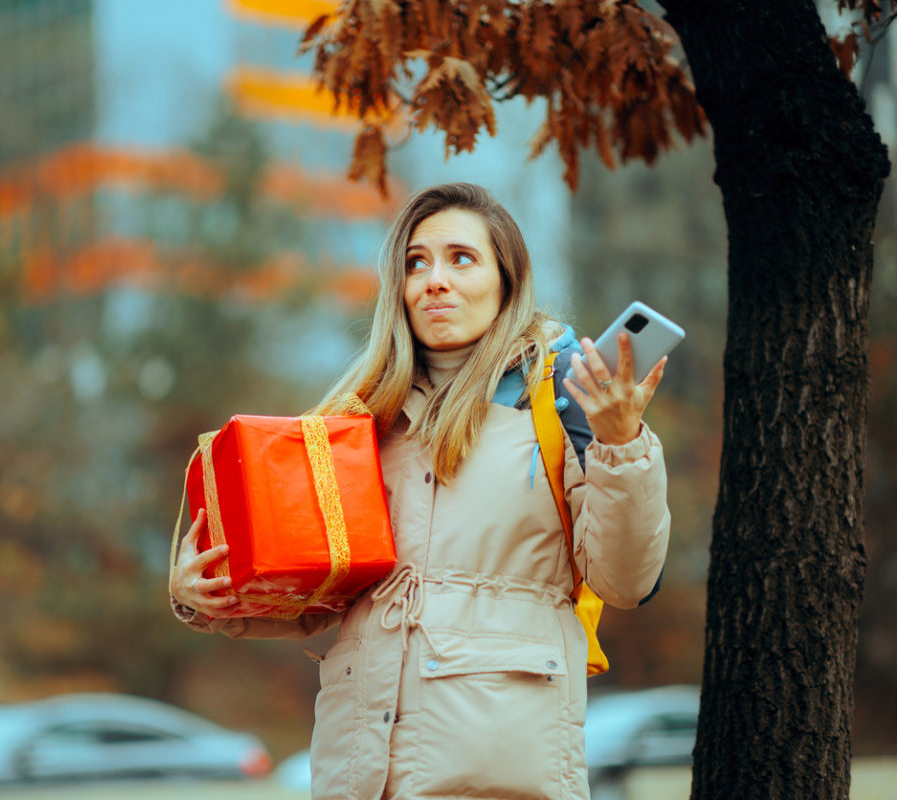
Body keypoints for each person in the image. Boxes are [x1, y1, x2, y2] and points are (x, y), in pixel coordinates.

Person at [169, 182, 670, 800]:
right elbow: (318, 595)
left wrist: (621, 442)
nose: (434, 279)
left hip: (498, 772)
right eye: (416, 263)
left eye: (462, 258)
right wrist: (209, 595)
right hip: (358, 773)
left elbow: (625, 580)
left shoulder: (561, 400)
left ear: (507, 283)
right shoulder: (358, 424)